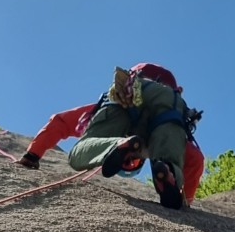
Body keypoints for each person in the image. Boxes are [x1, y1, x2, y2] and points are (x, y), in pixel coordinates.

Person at [19, 63, 204, 208]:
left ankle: (116, 145)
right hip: (170, 98)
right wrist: (185, 199)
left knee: (83, 149)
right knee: (170, 152)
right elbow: (195, 159)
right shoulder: (168, 94)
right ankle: (170, 172)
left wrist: (32, 155)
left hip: (132, 88)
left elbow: (61, 121)